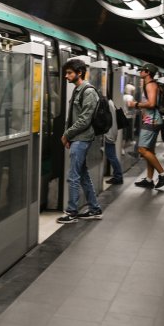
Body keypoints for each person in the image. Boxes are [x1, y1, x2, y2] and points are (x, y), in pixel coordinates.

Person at [56, 59, 103, 223]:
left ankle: (72, 212)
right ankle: (94, 209)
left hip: (82, 138)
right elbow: (72, 117)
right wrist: (68, 135)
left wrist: (67, 134)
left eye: (69, 73)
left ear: (80, 72)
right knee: (82, 175)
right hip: (77, 138)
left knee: (73, 176)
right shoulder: (77, 90)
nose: (66, 76)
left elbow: (84, 120)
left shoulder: (88, 92)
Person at [128, 66, 164, 189]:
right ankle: (149, 179)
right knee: (149, 151)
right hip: (150, 120)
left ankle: (163, 174)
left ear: (148, 72)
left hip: (152, 122)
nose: (140, 72)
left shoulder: (150, 85)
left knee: (142, 150)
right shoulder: (149, 85)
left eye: (142, 70)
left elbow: (152, 104)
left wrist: (135, 104)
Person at [103, 92, 123, 184]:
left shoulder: (107, 103)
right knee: (112, 155)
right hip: (112, 132)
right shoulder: (111, 102)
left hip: (109, 133)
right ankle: (117, 175)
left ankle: (118, 176)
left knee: (111, 156)